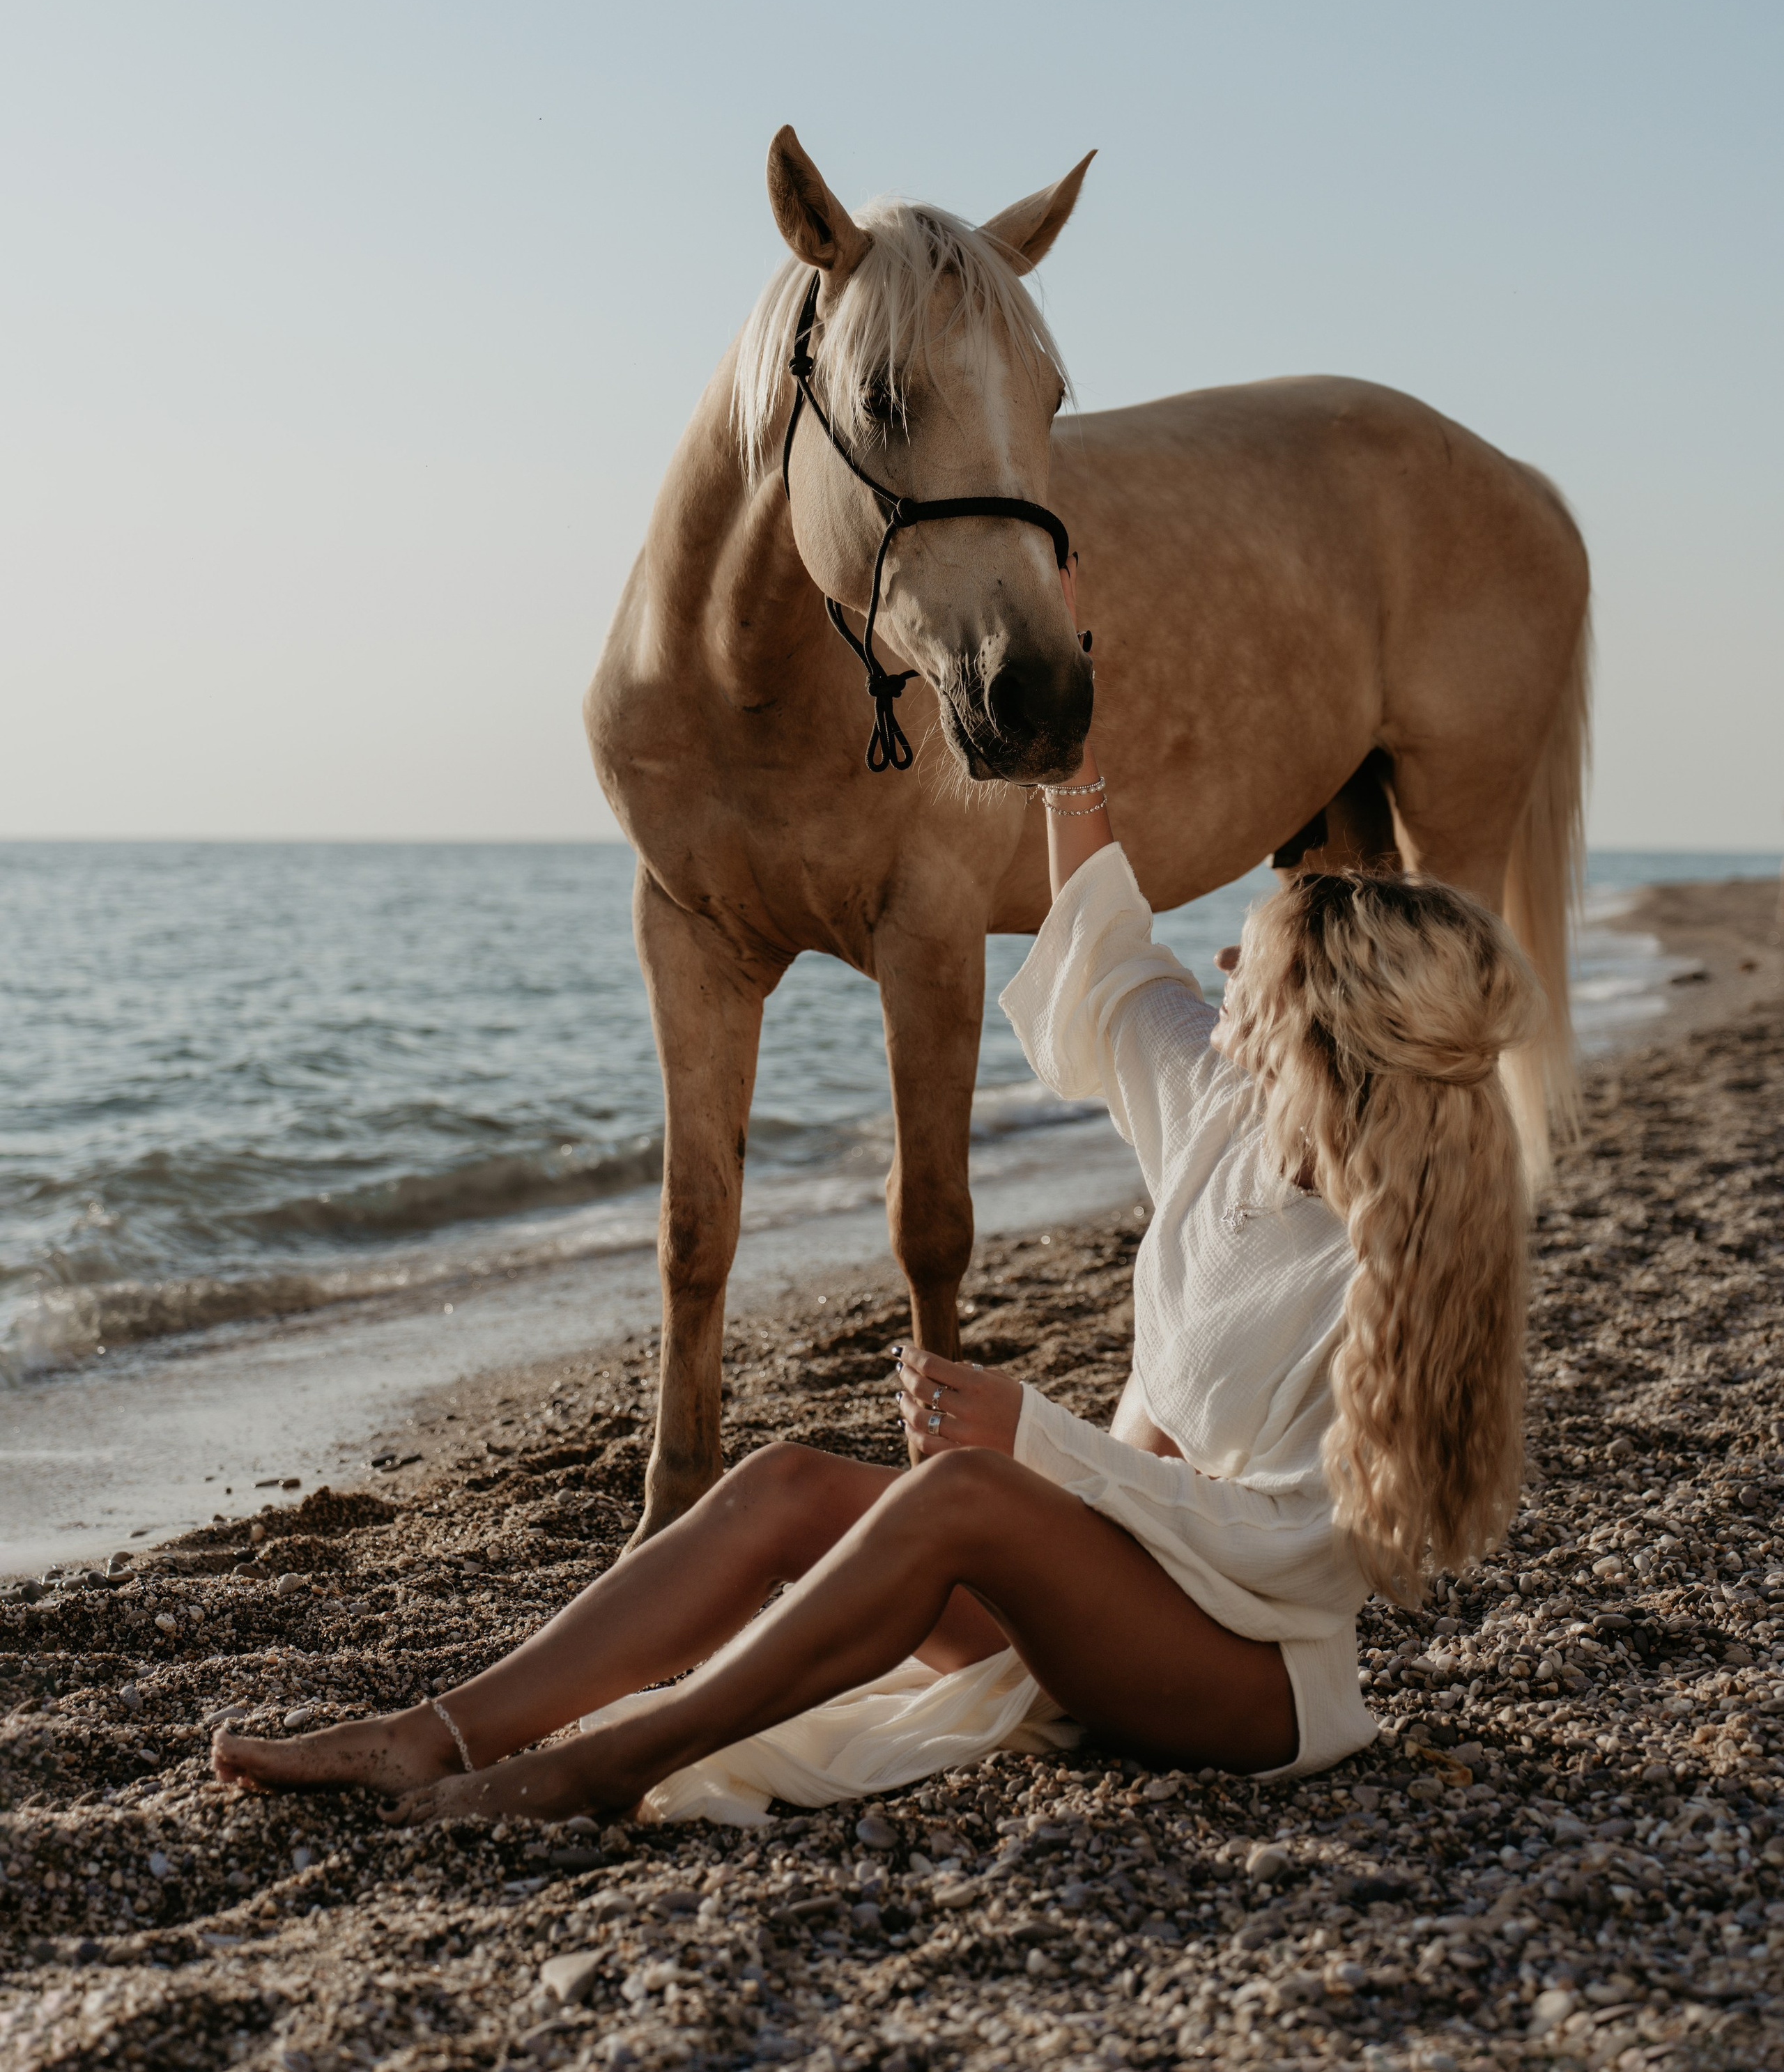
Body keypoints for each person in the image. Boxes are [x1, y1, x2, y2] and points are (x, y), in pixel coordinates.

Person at [213, 572, 1542, 1827]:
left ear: (1318, 1032)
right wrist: (1063, 698)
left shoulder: (1400, 1254)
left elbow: (1310, 1552)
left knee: (972, 1495)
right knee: (789, 1484)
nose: (1220, 970)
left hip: (1249, 1678)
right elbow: (1106, 938)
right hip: (1109, 1591)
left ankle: (616, 1763)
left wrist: (1044, 1441)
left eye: (1250, 970)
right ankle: (437, 1733)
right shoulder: (1223, 1103)